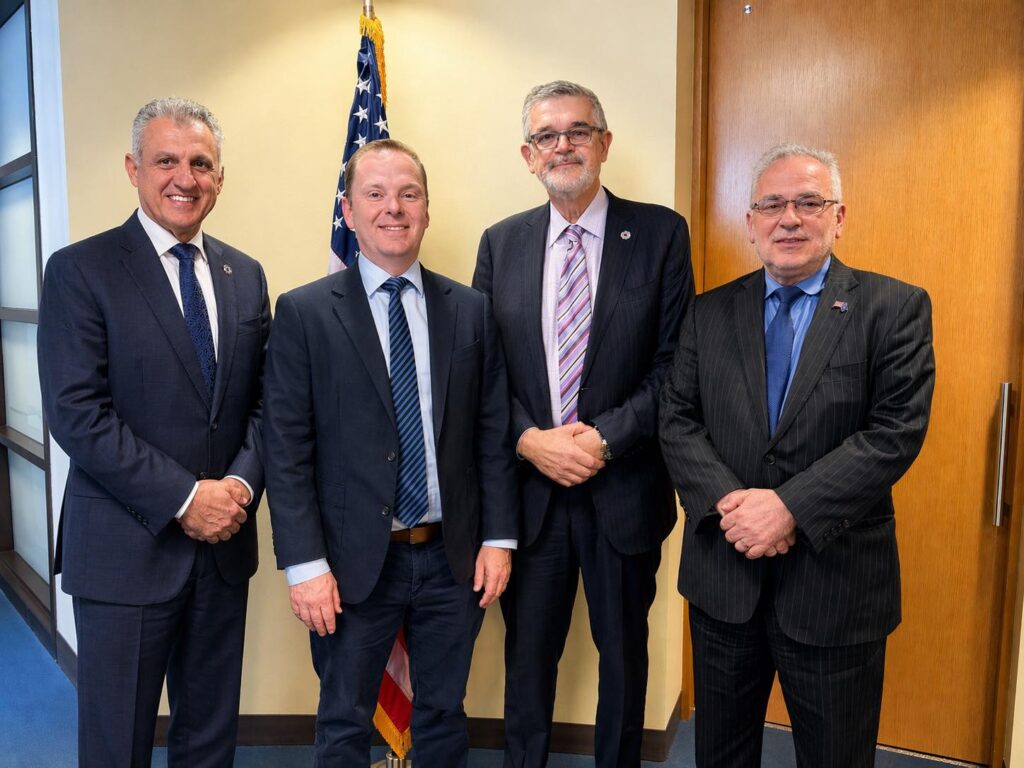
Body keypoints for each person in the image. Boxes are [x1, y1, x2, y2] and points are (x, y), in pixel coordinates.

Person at [659, 143, 935, 767]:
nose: (789, 219)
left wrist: (787, 508)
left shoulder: (893, 308)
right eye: (772, 205)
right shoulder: (707, 313)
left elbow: (894, 431)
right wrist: (732, 506)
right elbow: (676, 418)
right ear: (750, 222)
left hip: (834, 587)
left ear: (839, 217)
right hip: (725, 580)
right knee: (720, 754)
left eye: (809, 202)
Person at [263, 139, 518, 767]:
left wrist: (499, 539)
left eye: (408, 194)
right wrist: (304, 566)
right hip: (349, 566)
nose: (393, 208)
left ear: (427, 209)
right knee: (343, 719)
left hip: (451, 560)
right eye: (374, 194)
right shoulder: (304, 313)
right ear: (348, 212)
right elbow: (286, 450)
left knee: (443, 715)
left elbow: (491, 435)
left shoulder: (470, 311)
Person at [37, 97, 270, 768]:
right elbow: (78, 413)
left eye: (201, 163)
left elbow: (266, 405)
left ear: (219, 177)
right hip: (124, 553)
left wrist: (237, 488)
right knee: (117, 747)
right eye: (166, 160)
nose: (184, 178)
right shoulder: (80, 270)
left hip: (223, 551)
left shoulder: (245, 274)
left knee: (209, 743)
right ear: (132, 168)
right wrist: (185, 498)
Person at [473, 80, 694, 767]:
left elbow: (675, 365)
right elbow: (483, 373)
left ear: (604, 142)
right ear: (528, 155)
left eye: (577, 131)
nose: (562, 145)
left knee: (624, 661)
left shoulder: (660, 234)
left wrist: (602, 438)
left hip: (622, 490)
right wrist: (529, 440)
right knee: (527, 663)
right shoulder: (501, 243)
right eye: (546, 135)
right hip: (530, 497)